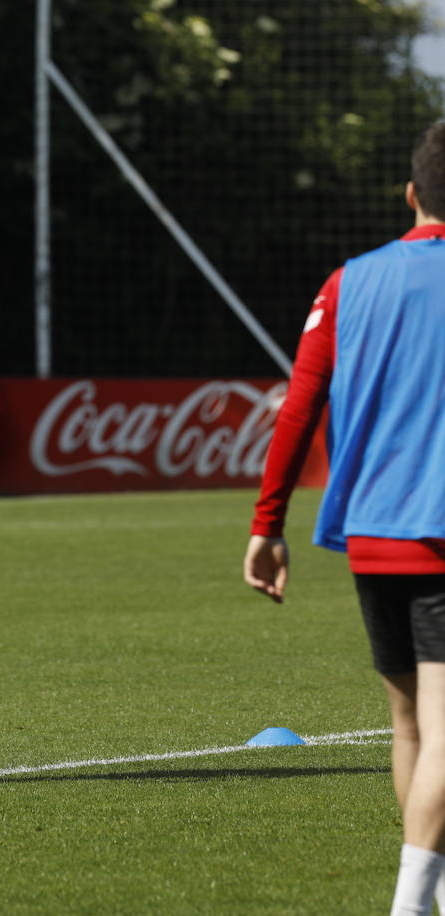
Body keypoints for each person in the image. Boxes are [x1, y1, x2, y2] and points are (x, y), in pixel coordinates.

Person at [244, 122, 445, 915]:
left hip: (372, 534)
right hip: (441, 539)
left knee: (410, 727)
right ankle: (410, 904)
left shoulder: (348, 281)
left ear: (411, 193)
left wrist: (267, 523)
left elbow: (297, 408)